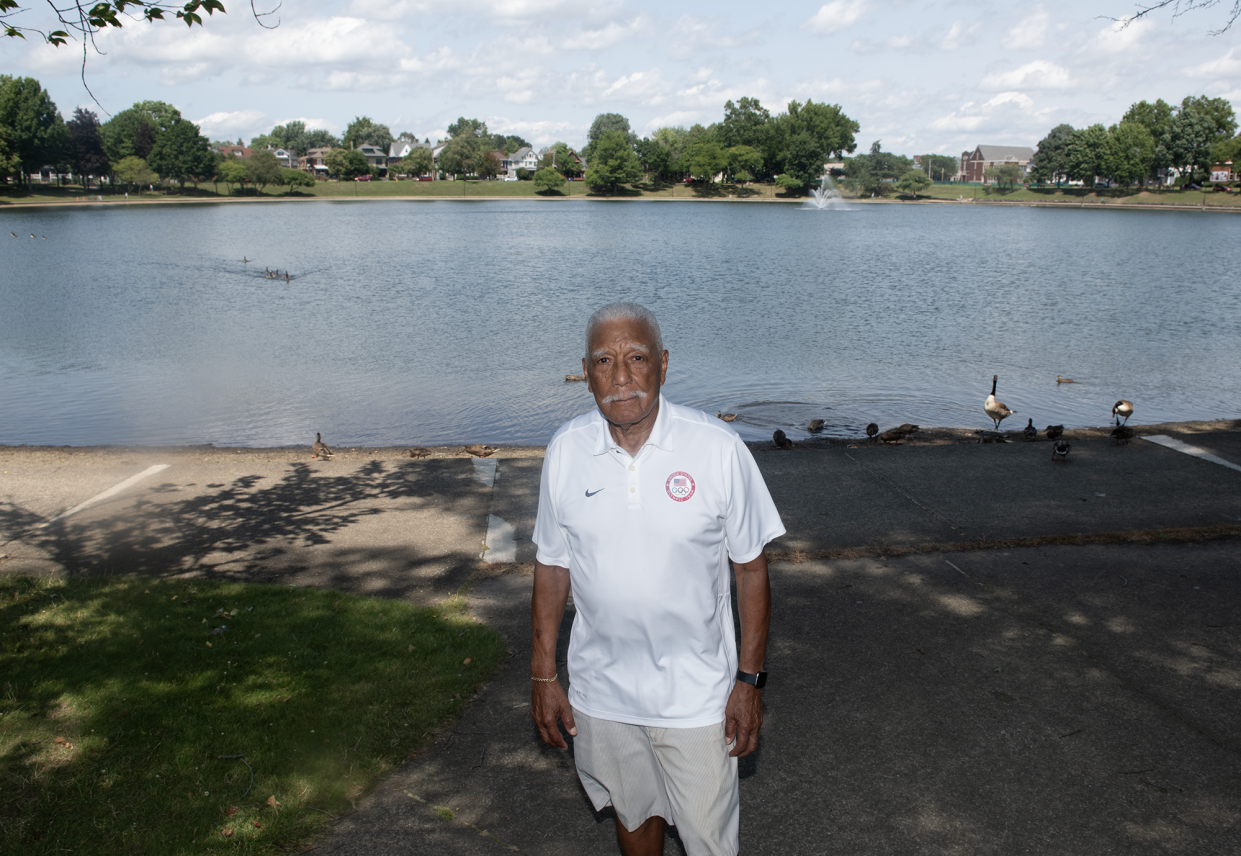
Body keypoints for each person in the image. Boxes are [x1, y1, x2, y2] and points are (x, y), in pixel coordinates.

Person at [531, 301, 784, 856]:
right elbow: (552, 566)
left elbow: (751, 568)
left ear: (663, 365)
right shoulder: (566, 452)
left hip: (697, 699)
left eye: (636, 357)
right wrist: (544, 672)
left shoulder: (717, 449)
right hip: (603, 696)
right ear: (586, 370)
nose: (621, 378)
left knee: (709, 842)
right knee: (633, 816)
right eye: (604, 361)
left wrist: (750, 681)